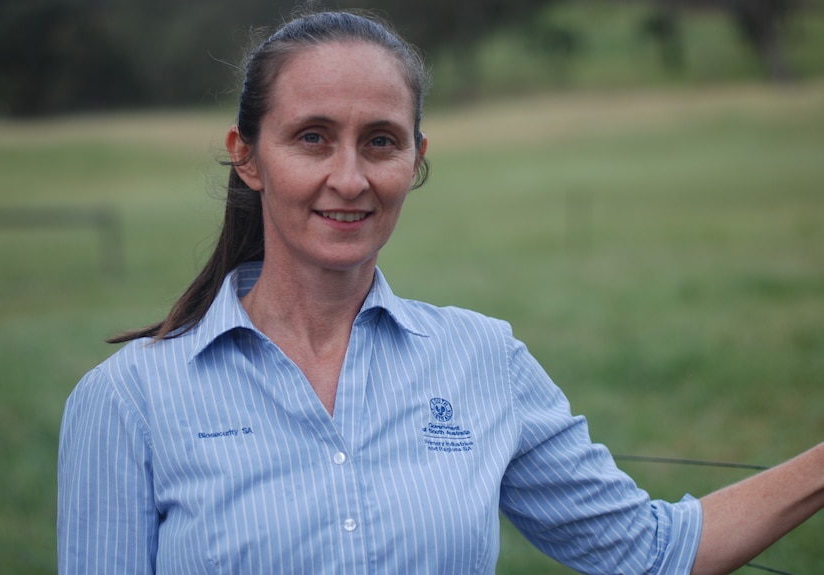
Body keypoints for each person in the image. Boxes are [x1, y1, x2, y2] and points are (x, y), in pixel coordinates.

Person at [57, 9, 824, 575]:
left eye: (380, 141)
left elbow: (651, 550)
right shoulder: (128, 401)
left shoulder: (482, 357)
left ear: (416, 159)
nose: (350, 178)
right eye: (312, 137)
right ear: (247, 157)